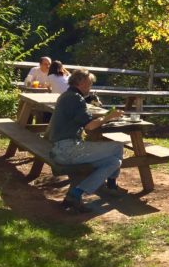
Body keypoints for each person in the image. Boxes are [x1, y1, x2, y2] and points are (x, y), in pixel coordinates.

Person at [46, 69, 125, 212]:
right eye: (90, 83)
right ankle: (111, 186)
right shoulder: (75, 98)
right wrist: (110, 116)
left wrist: (103, 117)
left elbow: (83, 121)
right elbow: (90, 126)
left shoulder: (67, 96)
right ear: (81, 82)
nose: (91, 86)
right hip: (67, 150)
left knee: (114, 162)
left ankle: (75, 193)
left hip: (60, 149)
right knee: (117, 147)